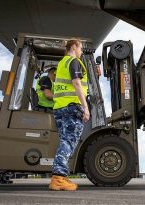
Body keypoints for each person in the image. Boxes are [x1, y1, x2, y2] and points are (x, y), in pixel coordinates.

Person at [49, 39, 90, 191]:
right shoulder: (74, 61)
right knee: (68, 142)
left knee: (64, 141)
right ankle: (58, 178)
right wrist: (85, 107)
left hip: (59, 107)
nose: (81, 51)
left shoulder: (62, 63)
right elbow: (77, 83)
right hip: (71, 107)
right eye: (81, 48)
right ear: (74, 46)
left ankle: (62, 177)